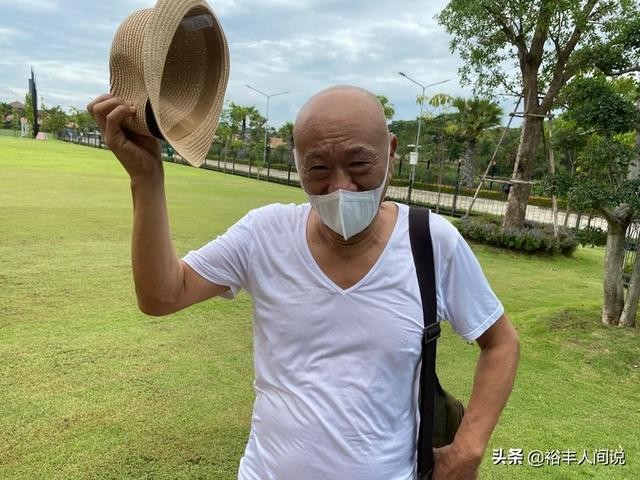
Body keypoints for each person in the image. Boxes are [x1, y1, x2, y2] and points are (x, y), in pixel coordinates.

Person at [87, 86, 520, 480]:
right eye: (317, 168)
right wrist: (146, 178)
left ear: (390, 153)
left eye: (359, 164)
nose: (340, 187)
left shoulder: (431, 241)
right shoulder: (264, 234)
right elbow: (162, 295)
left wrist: (468, 449)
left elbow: (500, 342)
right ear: (296, 163)